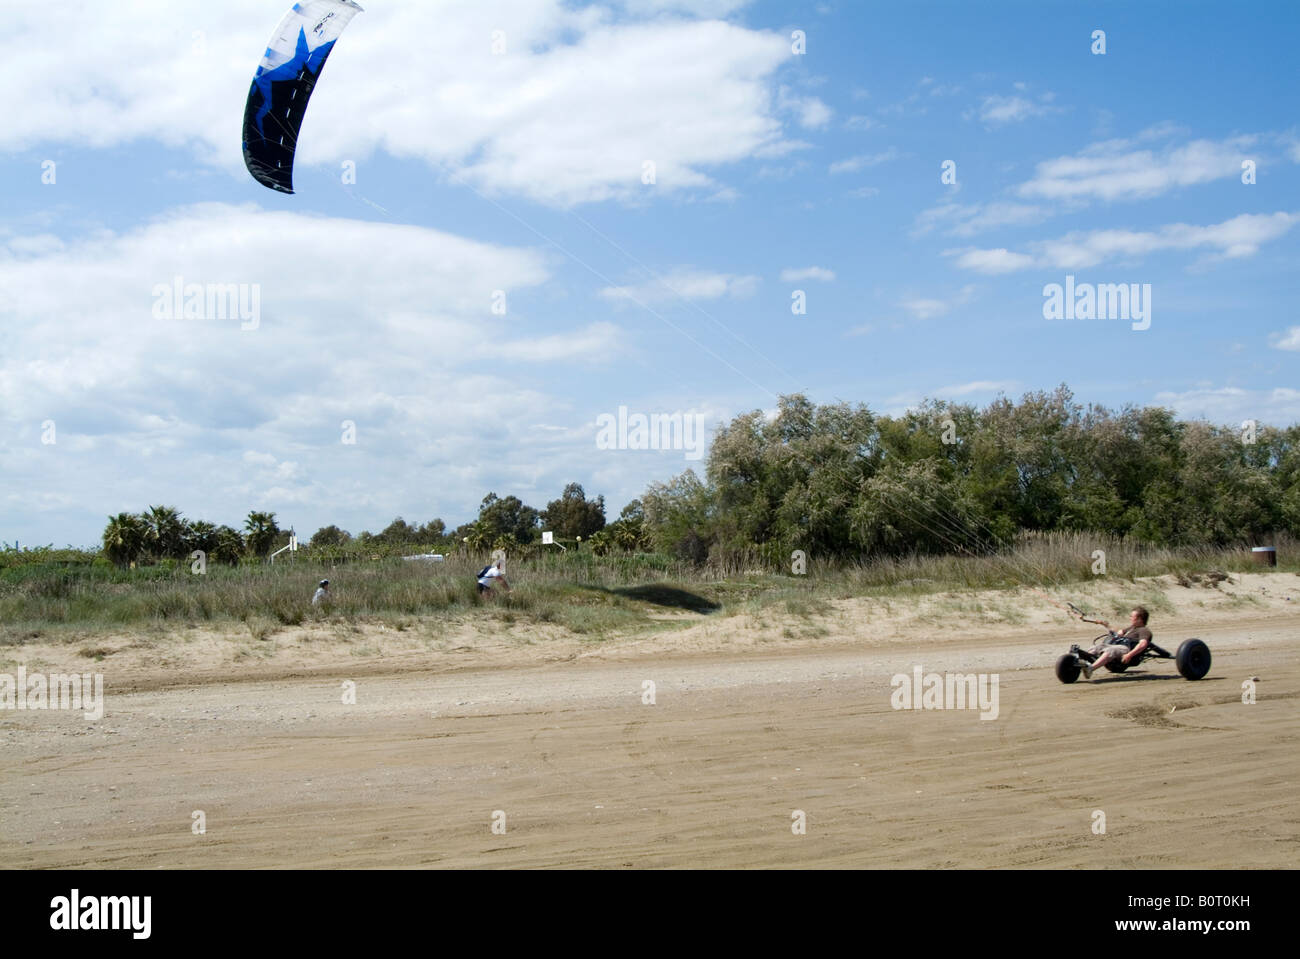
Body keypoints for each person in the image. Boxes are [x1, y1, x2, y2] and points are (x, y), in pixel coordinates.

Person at [1081, 606, 1152, 679]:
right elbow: (1118, 632)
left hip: (1127, 649)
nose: (1130, 618)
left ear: (1139, 619)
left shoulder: (1144, 630)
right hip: (1118, 646)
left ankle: (1091, 669)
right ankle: (1082, 664)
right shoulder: (1131, 628)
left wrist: (1129, 655)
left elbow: (1143, 644)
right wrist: (1105, 624)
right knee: (1097, 647)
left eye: (1132, 616)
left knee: (1111, 650)